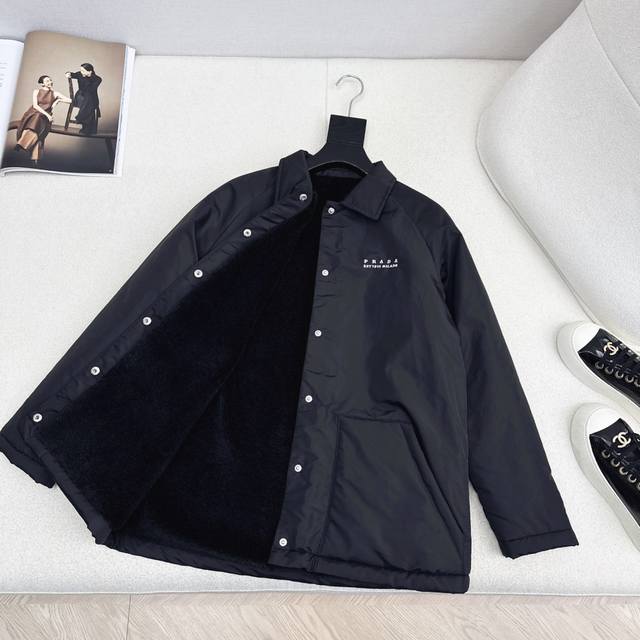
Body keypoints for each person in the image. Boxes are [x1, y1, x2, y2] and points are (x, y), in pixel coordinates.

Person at [14, 75, 72, 164]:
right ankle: (32, 156)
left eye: (50, 80)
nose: (50, 82)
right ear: (42, 84)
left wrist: (58, 100)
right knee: (37, 118)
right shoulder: (36, 91)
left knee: (39, 126)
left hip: (44, 117)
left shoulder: (55, 93)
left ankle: (22, 144)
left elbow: (70, 101)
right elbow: (35, 106)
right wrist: (47, 115)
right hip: (33, 113)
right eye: (47, 81)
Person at [66, 63, 102, 135]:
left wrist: (87, 78)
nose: (81, 72)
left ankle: (82, 121)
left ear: (90, 71)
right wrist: (68, 73)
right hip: (80, 96)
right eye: (80, 70)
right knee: (89, 103)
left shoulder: (97, 79)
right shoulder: (79, 74)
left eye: (83, 71)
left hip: (91, 97)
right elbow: (72, 74)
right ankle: (87, 127)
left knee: (89, 101)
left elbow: (91, 90)